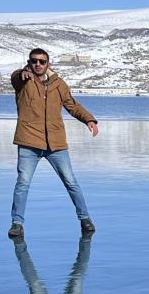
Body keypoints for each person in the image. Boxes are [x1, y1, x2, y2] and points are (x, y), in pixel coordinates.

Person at [8, 48, 99, 239]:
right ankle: (17, 223)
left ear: (48, 64)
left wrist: (89, 120)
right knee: (22, 183)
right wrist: (21, 73)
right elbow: (15, 78)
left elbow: (72, 106)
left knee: (71, 182)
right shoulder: (23, 81)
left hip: (56, 143)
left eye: (42, 61)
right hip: (29, 141)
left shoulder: (59, 84)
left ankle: (85, 219)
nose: (38, 65)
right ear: (29, 62)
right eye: (34, 61)